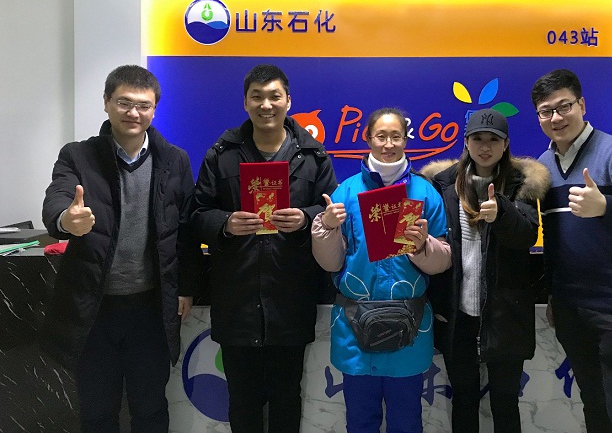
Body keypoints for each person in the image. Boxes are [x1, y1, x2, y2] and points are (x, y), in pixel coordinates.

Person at [41, 65, 201, 433]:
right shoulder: (78, 156)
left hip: (151, 308)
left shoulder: (174, 159)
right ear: (106, 103)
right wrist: (66, 219)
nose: (133, 113)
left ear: (154, 110)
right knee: (97, 411)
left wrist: (187, 287)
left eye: (143, 105)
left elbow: (187, 229)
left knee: (150, 408)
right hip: (94, 308)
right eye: (124, 103)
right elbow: (57, 198)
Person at [190, 64, 337, 432]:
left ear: (288, 101)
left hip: (291, 299)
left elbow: (332, 212)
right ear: (245, 102)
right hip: (236, 300)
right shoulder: (222, 154)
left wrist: (306, 218)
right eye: (257, 97)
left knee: (288, 397)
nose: (266, 105)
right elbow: (196, 214)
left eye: (274, 96)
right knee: (242, 400)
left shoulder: (314, 157)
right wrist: (225, 223)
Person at [531, 68, 612, 433]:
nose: (556, 118)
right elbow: (555, 241)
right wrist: (554, 294)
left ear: (582, 105)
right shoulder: (543, 167)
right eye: (546, 111)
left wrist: (605, 205)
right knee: (594, 406)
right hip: (571, 308)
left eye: (564, 106)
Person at [311, 107, 451, 433]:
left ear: (406, 140)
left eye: (396, 137)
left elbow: (444, 259)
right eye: (381, 136)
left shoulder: (425, 193)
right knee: (360, 422)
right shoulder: (346, 192)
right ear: (368, 138)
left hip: (410, 329)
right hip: (354, 327)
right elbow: (331, 263)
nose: (388, 144)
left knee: (407, 422)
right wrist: (326, 228)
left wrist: (422, 247)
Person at [421, 108, 549, 432]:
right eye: (478, 138)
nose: (485, 146)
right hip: (458, 315)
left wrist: (502, 213)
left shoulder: (521, 184)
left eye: (494, 139)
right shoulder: (442, 184)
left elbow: (527, 235)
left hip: (505, 314)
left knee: (505, 401)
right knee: (464, 398)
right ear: (466, 142)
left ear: (505, 145)